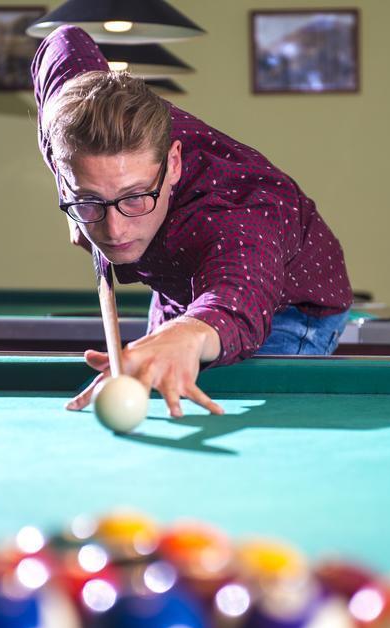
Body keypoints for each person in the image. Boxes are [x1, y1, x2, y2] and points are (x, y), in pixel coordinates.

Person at [32, 26, 352, 419]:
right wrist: (74, 199)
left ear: (173, 163)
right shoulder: (72, 120)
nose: (113, 230)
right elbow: (64, 40)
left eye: (134, 197)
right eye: (91, 199)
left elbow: (235, 302)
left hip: (290, 308)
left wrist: (188, 331)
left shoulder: (234, 214)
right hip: (181, 285)